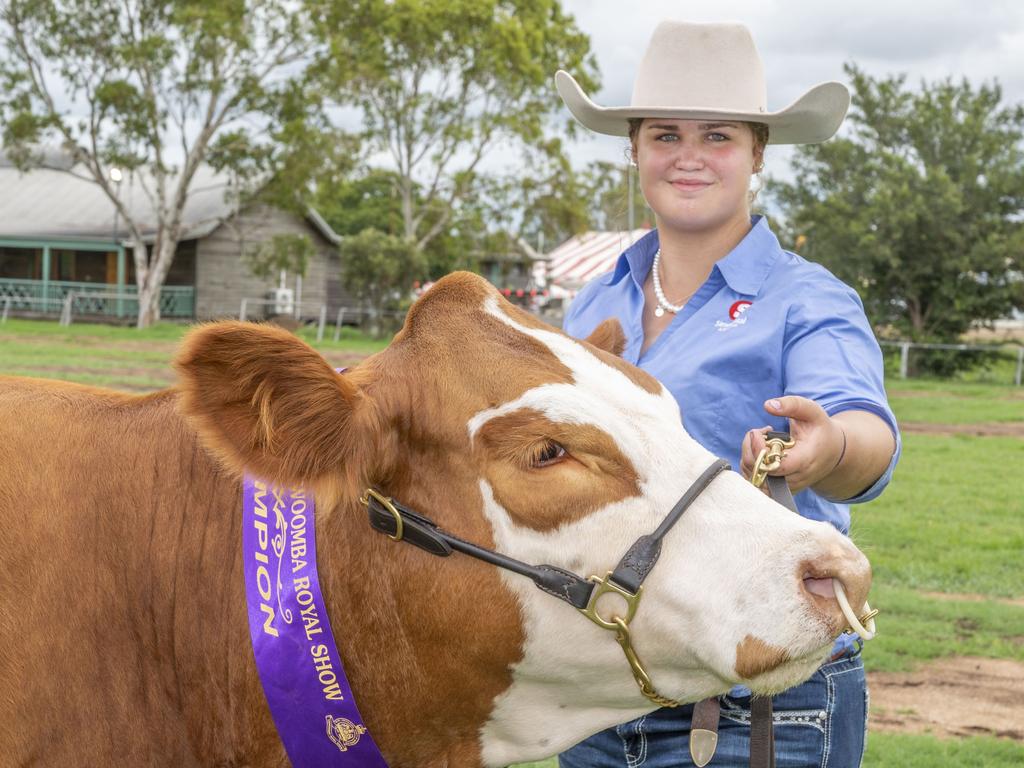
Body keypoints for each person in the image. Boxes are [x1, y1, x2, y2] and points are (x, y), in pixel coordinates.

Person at [554, 20, 901, 768]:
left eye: (717, 136)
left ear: (757, 156)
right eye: (665, 134)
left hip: (758, 699)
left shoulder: (808, 300)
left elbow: (865, 438)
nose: (688, 156)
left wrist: (827, 446)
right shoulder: (591, 306)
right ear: (635, 149)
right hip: (596, 700)